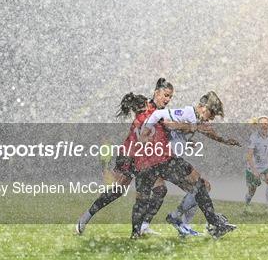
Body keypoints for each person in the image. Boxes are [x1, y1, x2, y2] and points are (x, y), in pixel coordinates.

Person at [131, 91, 237, 239]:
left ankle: (179, 222)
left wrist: (223, 140)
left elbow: (207, 132)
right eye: (211, 113)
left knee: (202, 187)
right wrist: (145, 132)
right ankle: (211, 223)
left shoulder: (195, 119)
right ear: (202, 107)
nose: (212, 117)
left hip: (166, 159)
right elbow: (161, 117)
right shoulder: (187, 112)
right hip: (165, 160)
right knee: (199, 186)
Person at [75, 78, 174, 235]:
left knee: (160, 190)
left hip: (145, 159)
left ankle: (142, 227)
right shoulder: (146, 107)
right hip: (130, 156)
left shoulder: (157, 112)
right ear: (156, 93)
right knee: (118, 191)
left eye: (170, 97)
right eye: (166, 95)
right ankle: (85, 218)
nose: (168, 100)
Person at [244, 116, 268, 212]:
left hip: (266, 165)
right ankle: (247, 204)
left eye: (266, 123)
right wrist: (254, 170)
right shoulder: (254, 137)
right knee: (252, 189)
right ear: (258, 125)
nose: (264, 125)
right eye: (262, 124)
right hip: (254, 166)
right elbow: (249, 155)